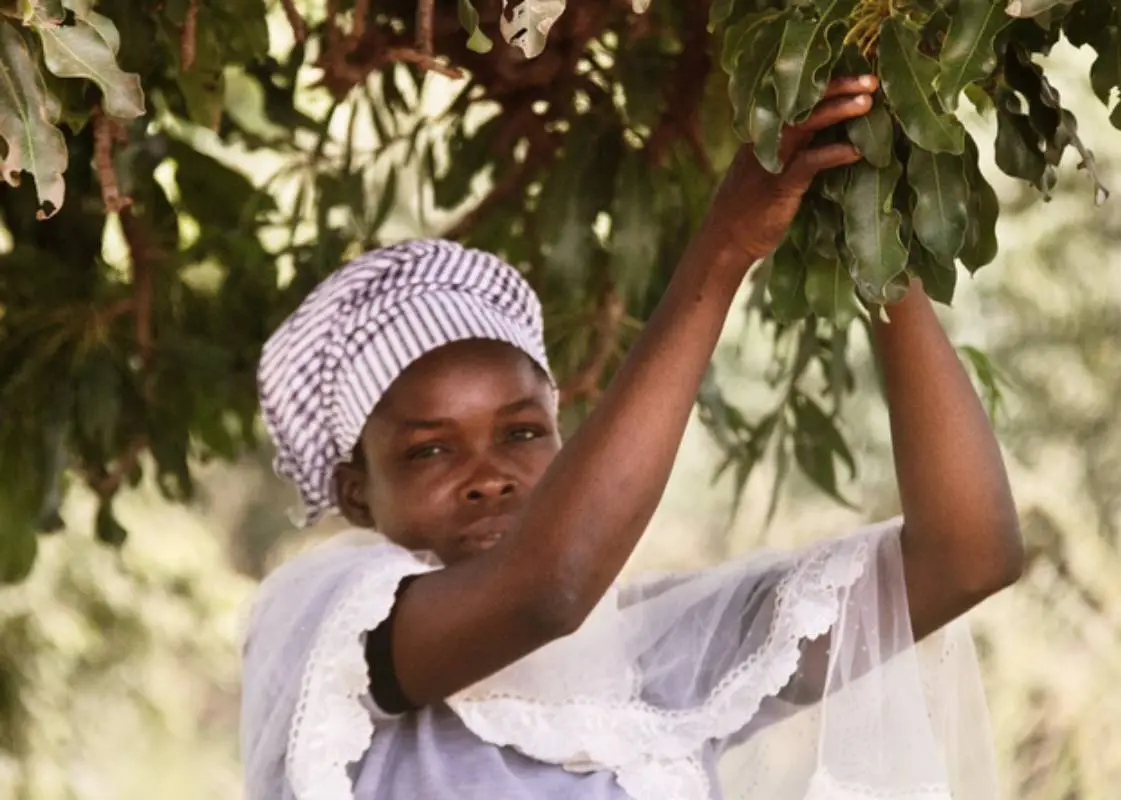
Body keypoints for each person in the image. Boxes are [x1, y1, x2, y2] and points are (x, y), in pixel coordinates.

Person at [240, 74, 1022, 800]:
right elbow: (549, 588)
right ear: (354, 492)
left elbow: (967, 557)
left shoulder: (654, 663)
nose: (489, 476)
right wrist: (722, 250)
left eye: (520, 433)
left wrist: (875, 239)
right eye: (430, 450)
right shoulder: (325, 625)